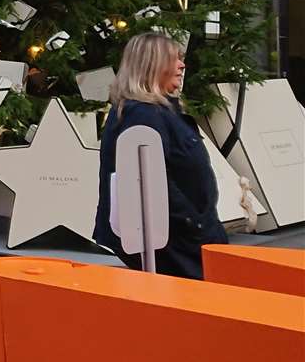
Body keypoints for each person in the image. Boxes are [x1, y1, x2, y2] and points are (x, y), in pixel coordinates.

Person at [93, 32, 228, 280]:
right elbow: (151, 183)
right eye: (174, 59)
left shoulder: (151, 111)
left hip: (183, 235)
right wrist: (194, 224)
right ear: (152, 66)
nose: (182, 65)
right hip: (175, 242)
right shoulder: (142, 114)